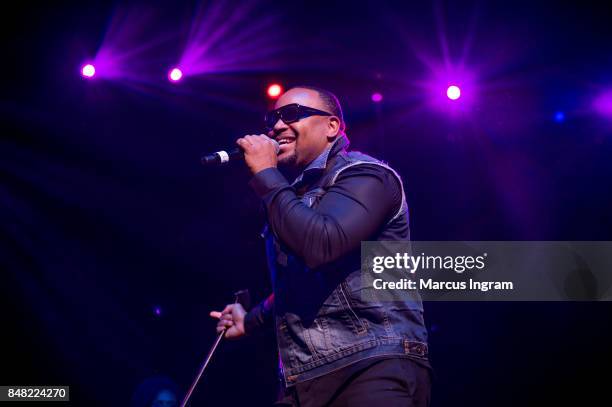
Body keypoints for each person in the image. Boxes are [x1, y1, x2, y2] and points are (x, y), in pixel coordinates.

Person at [210, 86, 431, 406]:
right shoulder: (293, 198)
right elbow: (299, 284)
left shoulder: (367, 175)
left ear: (331, 127)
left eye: (292, 114)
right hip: (304, 379)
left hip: (369, 367)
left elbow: (321, 244)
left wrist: (267, 175)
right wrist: (250, 318)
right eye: (273, 118)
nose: (276, 126)